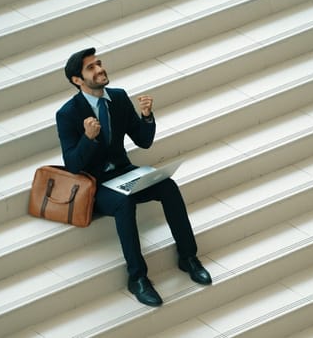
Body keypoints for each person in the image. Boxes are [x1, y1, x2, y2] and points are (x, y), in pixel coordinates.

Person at [56, 47, 211, 307]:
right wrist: (88, 139)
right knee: (123, 202)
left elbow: (143, 141)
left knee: (168, 186)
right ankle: (138, 278)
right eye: (91, 68)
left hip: (123, 171)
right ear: (77, 80)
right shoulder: (68, 114)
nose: (100, 69)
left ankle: (188, 258)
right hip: (95, 184)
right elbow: (72, 165)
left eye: (99, 64)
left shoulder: (118, 97)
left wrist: (147, 117)